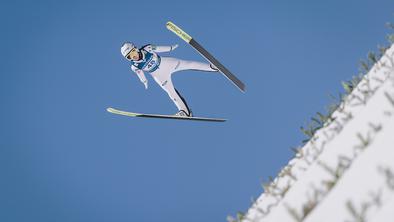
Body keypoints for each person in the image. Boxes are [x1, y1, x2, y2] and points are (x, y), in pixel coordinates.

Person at [120, 42, 218, 117]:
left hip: (167, 63)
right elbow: (140, 75)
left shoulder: (147, 48)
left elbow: (160, 48)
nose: (133, 56)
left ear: (135, 48)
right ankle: (185, 112)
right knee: (171, 92)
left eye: (132, 52)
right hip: (158, 75)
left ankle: (212, 67)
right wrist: (145, 82)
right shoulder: (135, 66)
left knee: (189, 64)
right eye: (129, 57)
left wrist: (171, 47)